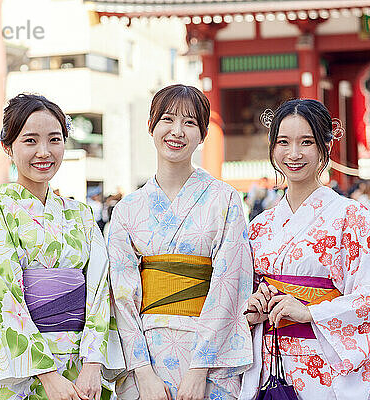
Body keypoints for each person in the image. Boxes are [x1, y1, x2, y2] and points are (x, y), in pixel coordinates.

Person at [0, 94, 124, 400]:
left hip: (82, 368)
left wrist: (93, 364)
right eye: (30, 141)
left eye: (54, 139)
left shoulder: (80, 214)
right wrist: (48, 377)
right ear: (8, 147)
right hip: (26, 372)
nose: (44, 152)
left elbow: (100, 290)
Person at [241, 99, 370, 400]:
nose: (294, 154)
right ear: (273, 148)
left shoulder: (351, 216)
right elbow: (237, 294)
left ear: (326, 146)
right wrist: (252, 305)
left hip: (325, 367)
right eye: (283, 142)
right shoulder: (260, 226)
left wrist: (311, 311)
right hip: (269, 364)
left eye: (307, 142)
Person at [108, 84, 253, 400]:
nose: (177, 131)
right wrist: (142, 372)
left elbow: (230, 285)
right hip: (145, 359)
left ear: (202, 135)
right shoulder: (127, 210)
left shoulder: (224, 200)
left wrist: (199, 369)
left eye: (190, 123)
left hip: (208, 361)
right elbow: (121, 294)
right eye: (168, 119)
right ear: (151, 126)